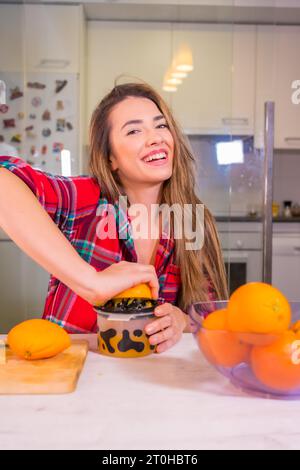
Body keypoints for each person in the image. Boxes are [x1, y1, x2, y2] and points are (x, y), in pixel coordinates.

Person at [0, 82, 227, 353]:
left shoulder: (193, 221)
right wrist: (91, 282)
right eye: (134, 130)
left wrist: (182, 321)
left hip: (150, 383)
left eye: (161, 125)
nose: (156, 137)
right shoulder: (85, 200)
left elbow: (212, 318)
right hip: (77, 376)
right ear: (111, 159)